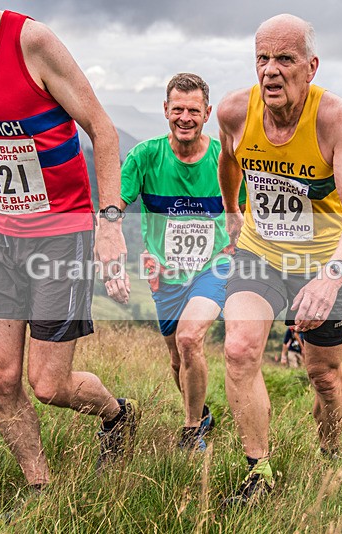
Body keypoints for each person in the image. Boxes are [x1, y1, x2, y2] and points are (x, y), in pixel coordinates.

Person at [0, 0, 138, 494]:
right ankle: (41, 491)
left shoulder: (31, 43)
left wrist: (108, 223)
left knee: (48, 385)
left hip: (60, 235)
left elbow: (102, 130)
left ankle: (117, 415)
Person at [217, 14, 342, 505]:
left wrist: (329, 278)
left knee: (323, 376)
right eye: (262, 58)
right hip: (260, 253)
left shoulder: (334, 118)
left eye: (284, 58)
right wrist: (231, 213)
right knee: (239, 349)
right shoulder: (233, 112)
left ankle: (330, 452)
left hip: (322, 261)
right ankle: (258, 474)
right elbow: (229, 160)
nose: (270, 70)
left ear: (311, 67)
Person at [120, 73, 228, 452]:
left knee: (189, 339)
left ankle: (191, 429)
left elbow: (245, 212)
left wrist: (238, 249)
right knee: (176, 356)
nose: (185, 117)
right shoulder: (146, 156)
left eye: (193, 110)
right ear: (165, 110)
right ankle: (201, 413)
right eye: (177, 109)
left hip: (213, 267)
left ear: (207, 114)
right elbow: (118, 202)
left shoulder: (222, 159)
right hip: (164, 274)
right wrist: (110, 227)